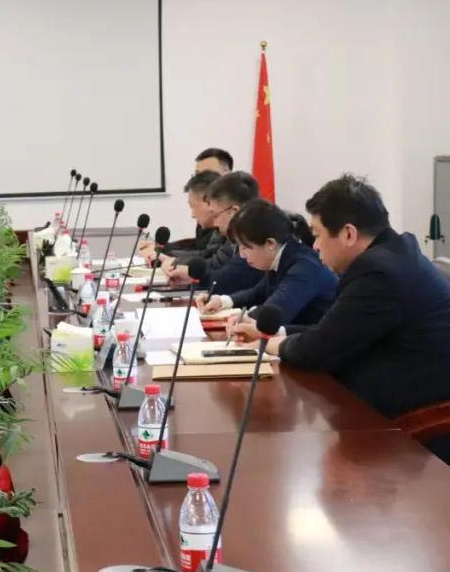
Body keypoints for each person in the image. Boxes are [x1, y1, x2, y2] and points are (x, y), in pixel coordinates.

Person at [235, 176, 450, 457]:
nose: (314, 246)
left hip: (413, 421)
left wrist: (269, 344)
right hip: (388, 397)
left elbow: (319, 349)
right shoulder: (393, 254)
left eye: (318, 234)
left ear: (348, 234)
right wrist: (277, 334)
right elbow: (337, 329)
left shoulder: (379, 273)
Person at [196, 199, 337, 327]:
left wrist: (242, 319)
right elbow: (257, 293)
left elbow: (276, 310)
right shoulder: (285, 255)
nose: (242, 255)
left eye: (245, 247)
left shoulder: (304, 268)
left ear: (270, 244)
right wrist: (222, 301)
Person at [166, 171, 264, 294]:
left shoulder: (256, 239)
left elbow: (230, 278)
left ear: (233, 212)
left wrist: (192, 275)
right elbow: (224, 274)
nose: (215, 224)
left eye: (216, 215)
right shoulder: (237, 237)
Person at [145, 170, 222, 263]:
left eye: (193, 206)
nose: (193, 215)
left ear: (209, 202)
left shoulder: (227, 232)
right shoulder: (212, 229)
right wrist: (161, 249)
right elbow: (203, 253)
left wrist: (171, 260)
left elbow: (210, 261)